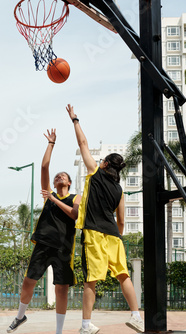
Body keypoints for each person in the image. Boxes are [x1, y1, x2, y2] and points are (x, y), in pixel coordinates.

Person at [66, 104, 144, 334]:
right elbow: (121, 221)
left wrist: (75, 120)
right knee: (123, 275)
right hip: (114, 235)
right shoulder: (119, 190)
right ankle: (136, 316)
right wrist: (116, 233)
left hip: (94, 232)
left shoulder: (95, 173)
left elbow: (82, 145)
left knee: (92, 279)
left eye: (102, 160)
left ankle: (85, 325)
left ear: (105, 164)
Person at [7, 129, 81, 334]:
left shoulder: (75, 197)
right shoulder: (48, 193)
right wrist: (51, 144)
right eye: (57, 176)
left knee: (61, 289)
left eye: (63, 176)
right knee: (28, 282)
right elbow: (44, 166)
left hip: (63, 248)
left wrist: (53, 198)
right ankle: (20, 316)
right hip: (43, 244)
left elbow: (74, 215)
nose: (58, 176)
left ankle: (58, 331)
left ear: (68, 183)